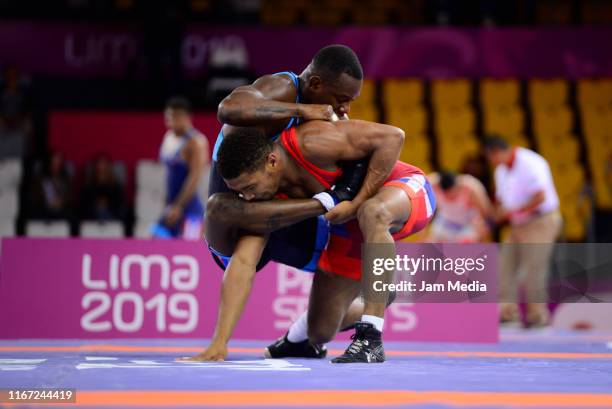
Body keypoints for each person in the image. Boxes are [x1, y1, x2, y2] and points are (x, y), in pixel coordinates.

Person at [194, 119, 435, 363]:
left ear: (272, 162)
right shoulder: (265, 201)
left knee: (373, 211)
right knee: (320, 330)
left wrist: (354, 202)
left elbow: (394, 136)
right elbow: (244, 262)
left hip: (401, 189)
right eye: (240, 192)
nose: (247, 197)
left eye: (250, 186)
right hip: (347, 227)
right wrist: (219, 343)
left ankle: (370, 338)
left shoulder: (311, 141)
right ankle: (377, 295)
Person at [484, 137, 562, 327]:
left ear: (497, 151)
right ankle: (508, 314)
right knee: (504, 266)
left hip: (540, 221)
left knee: (533, 270)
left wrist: (514, 211)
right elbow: (503, 201)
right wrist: (500, 212)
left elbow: (540, 196)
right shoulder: (501, 170)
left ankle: (537, 317)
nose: (491, 161)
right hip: (518, 223)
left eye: (491, 157)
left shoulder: (531, 162)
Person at [151, 96, 209, 240]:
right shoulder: (168, 137)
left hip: (189, 210)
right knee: (154, 243)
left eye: (174, 118)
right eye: (168, 118)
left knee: (191, 250)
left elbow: (195, 177)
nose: (170, 122)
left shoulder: (196, 142)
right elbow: (166, 174)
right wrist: (167, 204)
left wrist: (179, 206)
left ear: (186, 117)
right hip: (170, 207)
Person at [428, 170, 493, 243]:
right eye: (447, 195)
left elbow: (485, 211)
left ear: (457, 186)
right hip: (445, 223)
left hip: (467, 225)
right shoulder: (433, 185)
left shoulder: (471, 188)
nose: (450, 197)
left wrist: (481, 224)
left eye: (453, 193)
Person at [80, 154, 126, 222]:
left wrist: (106, 204)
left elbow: (119, 202)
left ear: (108, 166)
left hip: (111, 212)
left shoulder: (115, 185)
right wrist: (97, 204)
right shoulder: (89, 185)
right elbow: (84, 203)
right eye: (99, 164)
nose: (101, 167)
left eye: (103, 164)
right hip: (93, 213)